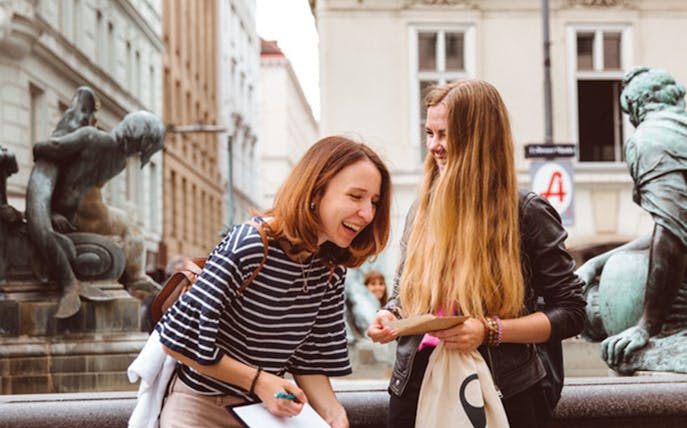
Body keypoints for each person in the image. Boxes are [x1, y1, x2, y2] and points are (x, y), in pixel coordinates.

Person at [367, 79, 586, 428]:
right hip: (416, 388)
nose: (434, 147)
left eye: (444, 135)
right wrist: (391, 316)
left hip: (503, 392)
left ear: (479, 138)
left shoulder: (527, 212)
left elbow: (572, 313)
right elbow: (402, 296)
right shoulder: (420, 210)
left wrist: (489, 331)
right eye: (429, 133)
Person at [155, 136, 391, 428]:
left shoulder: (330, 270)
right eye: (356, 197)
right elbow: (177, 339)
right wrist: (260, 382)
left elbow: (310, 360)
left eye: (374, 202)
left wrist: (334, 415)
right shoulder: (250, 243)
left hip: (262, 413)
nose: (367, 213)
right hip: (199, 410)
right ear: (315, 192)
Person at [576, 66, 687, 370]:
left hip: (669, 320)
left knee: (629, 354)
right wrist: (596, 263)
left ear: (635, 109)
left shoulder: (653, 138)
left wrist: (645, 327)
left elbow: (673, 234)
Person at [26, 108, 165, 318]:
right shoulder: (102, 146)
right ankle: (136, 275)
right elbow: (48, 150)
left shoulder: (104, 146)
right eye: (141, 147)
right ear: (137, 137)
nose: (137, 153)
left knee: (129, 226)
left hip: (79, 213)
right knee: (130, 226)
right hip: (78, 215)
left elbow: (50, 149)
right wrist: (49, 212)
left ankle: (136, 275)